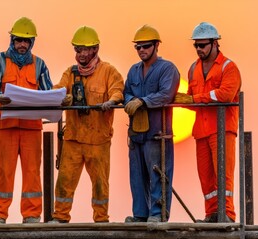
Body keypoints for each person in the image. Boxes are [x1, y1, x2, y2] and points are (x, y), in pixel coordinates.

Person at [49, 26, 124, 223]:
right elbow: (57, 89)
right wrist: (57, 97)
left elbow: (118, 90)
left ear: (95, 50)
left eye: (85, 50)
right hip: (73, 138)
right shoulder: (70, 73)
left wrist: (112, 101)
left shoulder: (108, 71)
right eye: (78, 50)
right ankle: (60, 216)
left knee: (100, 184)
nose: (81, 54)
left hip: (98, 140)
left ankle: (101, 219)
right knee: (64, 181)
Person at [0, 17, 53, 224]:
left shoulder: (39, 64)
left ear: (32, 42)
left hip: (31, 127)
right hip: (5, 126)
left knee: (32, 173)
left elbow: (47, 91)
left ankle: (32, 214)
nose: (22, 45)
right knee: (3, 173)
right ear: (12, 40)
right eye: (18, 41)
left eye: (26, 41)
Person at [174, 22, 241, 223]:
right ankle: (212, 214)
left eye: (202, 45)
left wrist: (195, 99)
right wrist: (183, 101)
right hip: (201, 131)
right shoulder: (193, 68)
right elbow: (193, 99)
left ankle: (227, 215)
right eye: (196, 45)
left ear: (215, 43)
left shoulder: (229, 68)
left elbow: (225, 94)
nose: (199, 49)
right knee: (206, 178)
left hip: (222, 129)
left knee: (223, 176)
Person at [123, 25, 180, 223]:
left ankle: (158, 213)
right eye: (138, 47)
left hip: (157, 133)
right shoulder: (134, 71)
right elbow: (126, 91)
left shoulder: (167, 69)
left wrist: (143, 101)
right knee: (137, 176)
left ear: (156, 46)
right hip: (137, 133)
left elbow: (166, 94)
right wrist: (131, 99)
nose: (142, 51)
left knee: (159, 174)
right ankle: (140, 213)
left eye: (146, 46)